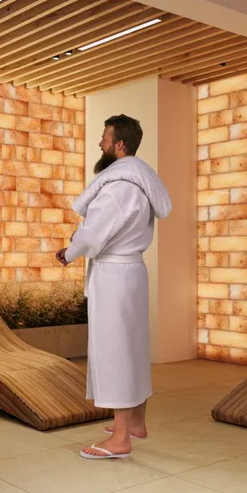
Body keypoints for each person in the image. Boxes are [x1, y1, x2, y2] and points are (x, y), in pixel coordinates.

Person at [57, 114, 172, 460]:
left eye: (104, 139)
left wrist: (69, 252)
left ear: (119, 145)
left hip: (114, 276)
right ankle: (136, 422)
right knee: (133, 347)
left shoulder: (119, 186)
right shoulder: (139, 182)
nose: (100, 143)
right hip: (131, 272)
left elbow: (93, 234)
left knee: (115, 350)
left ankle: (120, 439)